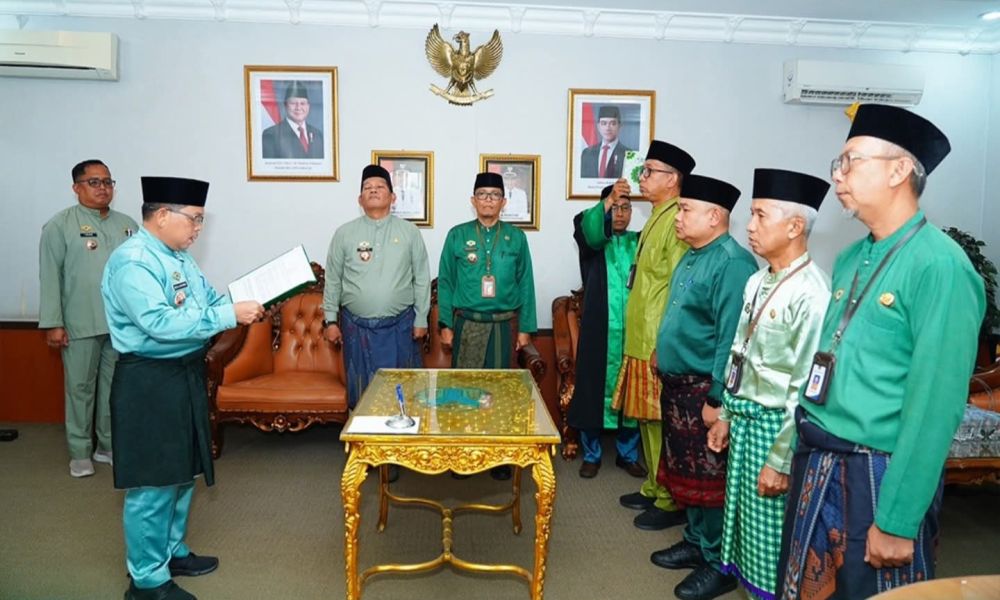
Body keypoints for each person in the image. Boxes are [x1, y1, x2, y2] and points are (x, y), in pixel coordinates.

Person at [776, 105, 986, 599]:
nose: (838, 175)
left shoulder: (941, 267)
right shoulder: (853, 256)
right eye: (839, 163)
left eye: (851, 161)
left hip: (876, 475)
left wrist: (897, 518)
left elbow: (934, 406)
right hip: (820, 460)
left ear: (899, 171)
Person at [102, 176, 265, 600]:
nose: (198, 229)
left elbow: (207, 302)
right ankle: (146, 580)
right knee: (153, 484)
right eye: (193, 219)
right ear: (161, 216)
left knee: (182, 473)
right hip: (149, 382)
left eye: (200, 220)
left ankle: (171, 552)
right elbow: (159, 323)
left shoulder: (178, 257)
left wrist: (245, 299)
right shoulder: (134, 262)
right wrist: (230, 315)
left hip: (183, 375)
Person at [705, 169, 831, 600]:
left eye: (760, 215)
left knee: (774, 543)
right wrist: (725, 414)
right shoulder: (758, 281)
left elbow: (805, 389)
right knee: (746, 534)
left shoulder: (813, 293)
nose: (750, 225)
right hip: (744, 423)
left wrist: (780, 460)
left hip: (777, 431)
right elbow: (738, 353)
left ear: (794, 226)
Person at [651, 174, 757, 600]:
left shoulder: (732, 263)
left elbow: (732, 338)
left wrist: (717, 397)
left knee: (710, 480)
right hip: (678, 386)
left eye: (685, 209)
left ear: (714, 216)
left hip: (703, 391)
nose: (678, 216)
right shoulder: (692, 255)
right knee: (687, 473)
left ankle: (718, 561)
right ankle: (696, 542)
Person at [39, 159, 138, 478]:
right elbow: (50, 276)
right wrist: (53, 322)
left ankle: (106, 446)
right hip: (79, 323)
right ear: (76, 187)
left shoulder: (128, 225)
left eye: (108, 182)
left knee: (113, 389)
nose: (103, 188)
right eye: (94, 182)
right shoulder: (60, 225)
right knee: (80, 389)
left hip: (120, 324)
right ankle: (80, 452)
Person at [613, 141, 694, 531]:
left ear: (673, 179)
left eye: (649, 171)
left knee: (660, 420)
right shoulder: (656, 217)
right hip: (640, 336)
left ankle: (668, 497)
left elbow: (678, 288)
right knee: (646, 419)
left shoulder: (677, 219)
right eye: (643, 170)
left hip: (656, 340)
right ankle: (653, 485)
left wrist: (665, 341)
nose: (641, 178)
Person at [437, 171, 537, 480]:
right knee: (464, 391)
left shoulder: (516, 238)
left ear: (504, 202)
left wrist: (525, 329)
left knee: (500, 392)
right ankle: (463, 453)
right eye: (482, 194)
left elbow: (526, 284)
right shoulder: (457, 235)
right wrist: (445, 324)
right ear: (473, 200)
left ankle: (498, 458)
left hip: (504, 327)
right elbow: (445, 281)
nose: (488, 200)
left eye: (494, 195)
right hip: (467, 325)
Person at [323, 164, 431, 410]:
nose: (373, 190)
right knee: (361, 391)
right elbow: (333, 279)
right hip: (356, 327)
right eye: (367, 187)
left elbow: (422, 278)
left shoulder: (409, 232)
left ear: (393, 197)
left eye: (380, 187)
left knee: (404, 389)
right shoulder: (344, 234)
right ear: (359, 199)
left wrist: (421, 318)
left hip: (401, 326)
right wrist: (330, 320)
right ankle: (362, 433)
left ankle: (404, 432)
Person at [567, 183, 644, 479]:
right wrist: (606, 203)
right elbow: (585, 227)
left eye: (625, 207)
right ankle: (592, 454)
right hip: (599, 331)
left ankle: (628, 454)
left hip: (633, 333)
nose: (620, 214)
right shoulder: (593, 243)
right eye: (614, 207)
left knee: (632, 391)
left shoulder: (640, 242)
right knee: (591, 391)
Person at [261, 81, 324, 159]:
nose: (298, 108)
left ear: (308, 106)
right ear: (285, 105)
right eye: (293, 103)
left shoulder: (318, 135)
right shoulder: (271, 135)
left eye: (303, 103)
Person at [581, 105, 633, 179]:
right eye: (604, 123)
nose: (608, 128)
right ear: (598, 126)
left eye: (613, 123)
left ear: (619, 126)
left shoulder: (629, 155)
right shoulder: (586, 153)